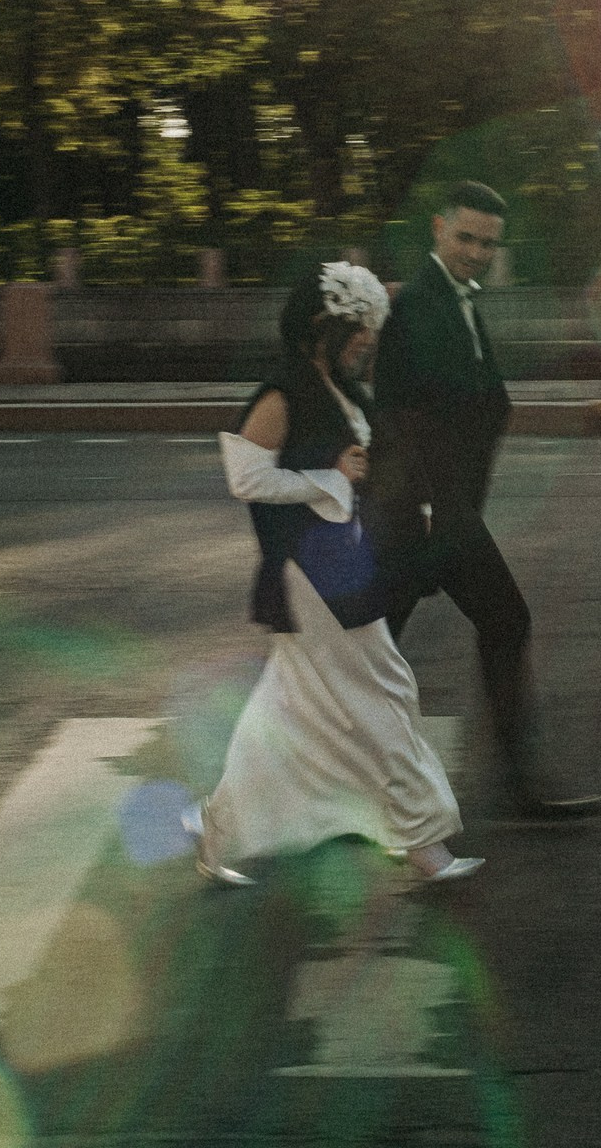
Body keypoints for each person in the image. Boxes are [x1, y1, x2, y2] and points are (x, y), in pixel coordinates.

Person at [190, 262, 482, 887]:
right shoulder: (283, 392)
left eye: (370, 330)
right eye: (359, 329)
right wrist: (330, 478)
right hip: (308, 569)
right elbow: (245, 478)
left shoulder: (337, 385)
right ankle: (424, 843)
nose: (367, 341)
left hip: (341, 558)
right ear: (325, 324)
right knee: (384, 690)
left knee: (292, 708)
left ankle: (214, 830)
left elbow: (365, 464)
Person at [371, 182, 601, 822]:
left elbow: (480, 402)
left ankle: (517, 783)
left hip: (448, 512)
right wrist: (422, 515)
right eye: (465, 238)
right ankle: (519, 785)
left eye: (487, 243)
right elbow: (400, 419)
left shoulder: (459, 302)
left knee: (371, 647)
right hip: (423, 517)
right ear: (438, 229)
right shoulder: (417, 304)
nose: (476, 252)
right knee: (385, 646)